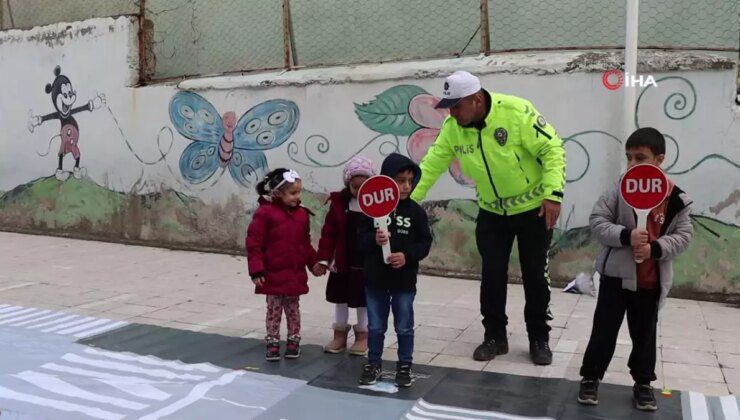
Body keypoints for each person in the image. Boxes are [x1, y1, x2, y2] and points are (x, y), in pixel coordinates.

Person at [410, 70, 566, 365]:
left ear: (477, 100)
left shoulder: (517, 111)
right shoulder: (453, 127)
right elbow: (432, 165)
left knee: (535, 275)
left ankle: (539, 338)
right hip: (492, 211)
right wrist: (409, 203)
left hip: (534, 208)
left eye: (457, 106)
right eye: (449, 107)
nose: (452, 113)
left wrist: (553, 194)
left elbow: (552, 149)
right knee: (492, 275)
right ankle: (495, 336)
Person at [577, 127, 693, 411]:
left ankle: (643, 383)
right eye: (628, 157)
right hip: (616, 278)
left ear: (660, 159)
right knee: (603, 331)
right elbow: (597, 221)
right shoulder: (619, 190)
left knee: (644, 336)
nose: (632, 164)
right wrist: (625, 235)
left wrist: (655, 248)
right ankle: (590, 378)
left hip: (650, 281)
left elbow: (683, 236)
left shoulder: (676, 199)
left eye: (640, 157)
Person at [358, 153, 433, 388]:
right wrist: (375, 239)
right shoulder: (371, 210)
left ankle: (404, 365)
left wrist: (407, 256)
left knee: (404, 326)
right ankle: (373, 363)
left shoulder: (417, 212)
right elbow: (360, 239)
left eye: (410, 181)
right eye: (400, 180)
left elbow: (425, 242)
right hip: (376, 279)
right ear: (387, 180)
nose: (406, 186)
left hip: (404, 281)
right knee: (376, 325)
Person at [246, 168, 318, 361]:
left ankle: (294, 340)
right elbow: (254, 243)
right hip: (272, 274)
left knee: (293, 309)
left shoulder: (302, 215)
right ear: (277, 193)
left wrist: (314, 263)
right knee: (274, 310)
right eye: (293, 193)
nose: (298, 197)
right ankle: (272, 341)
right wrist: (256, 270)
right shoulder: (264, 213)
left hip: (294, 273)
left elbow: (305, 244)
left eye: (299, 192)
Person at [314, 156, 377, 355]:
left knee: (362, 299)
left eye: (364, 186)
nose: (359, 191)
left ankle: (363, 336)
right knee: (340, 297)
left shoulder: (377, 206)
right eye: (355, 186)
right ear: (348, 185)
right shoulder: (339, 204)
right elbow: (328, 233)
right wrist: (323, 259)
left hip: (365, 262)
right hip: (342, 260)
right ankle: (339, 335)